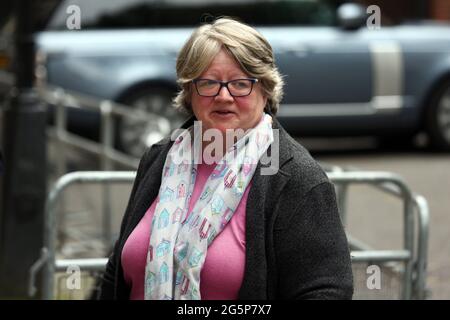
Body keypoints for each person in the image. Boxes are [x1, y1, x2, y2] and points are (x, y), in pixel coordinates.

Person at [98, 17, 353, 300]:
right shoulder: (161, 157)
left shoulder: (296, 178)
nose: (223, 96)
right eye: (208, 83)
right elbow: (116, 271)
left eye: (240, 83)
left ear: (265, 89)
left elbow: (326, 292)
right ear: (189, 91)